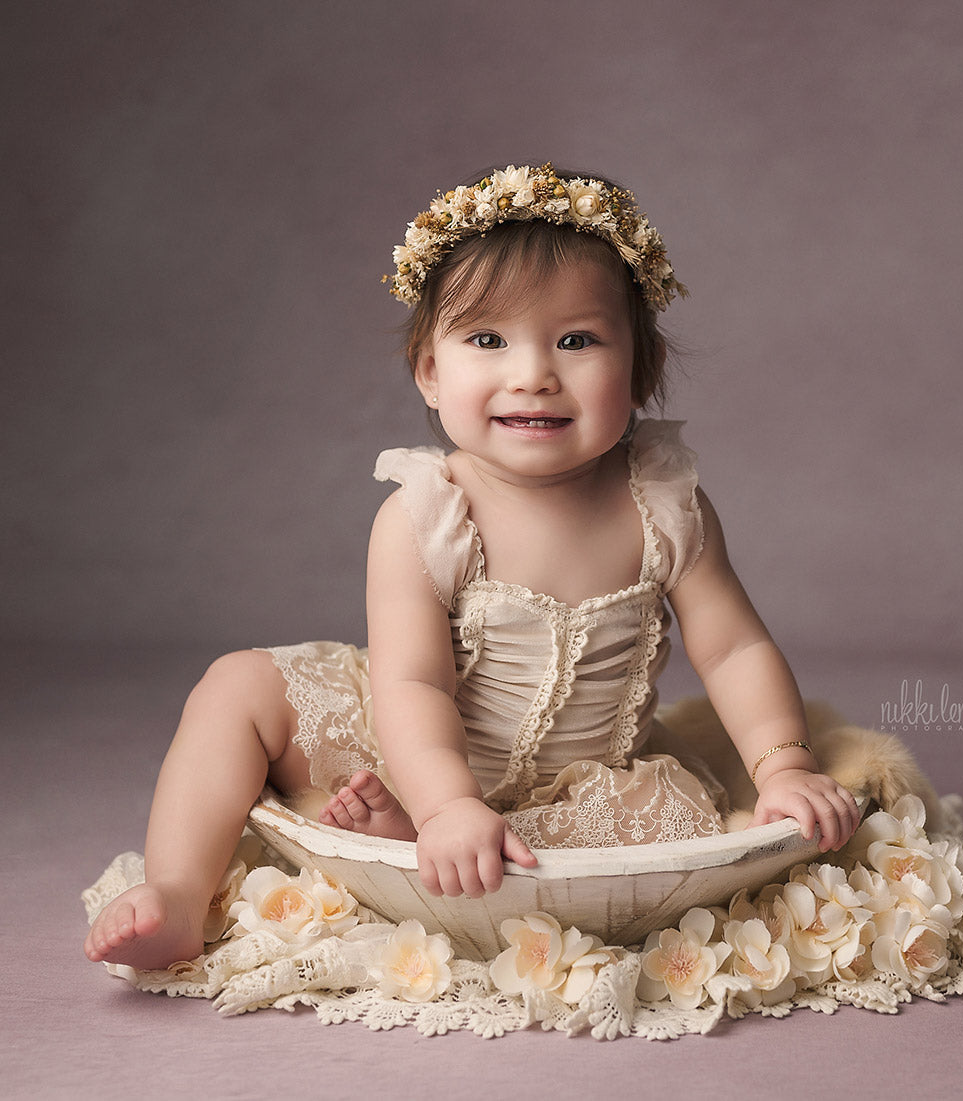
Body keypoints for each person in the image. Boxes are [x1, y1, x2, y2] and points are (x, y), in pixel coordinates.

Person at [85, 163, 861, 972]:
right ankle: (179, 891)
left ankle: (406, 844)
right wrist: (449, 800)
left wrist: (785, 763)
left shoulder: (664, 506)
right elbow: (411, 685)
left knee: (717, 841)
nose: (533, 373)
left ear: (641, 369)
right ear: (429, 368)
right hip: (417, 749)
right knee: (234, 686)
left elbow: (734, 649)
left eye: (577, 339)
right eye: (487, 340)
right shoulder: (426, 516)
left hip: (590, 780)